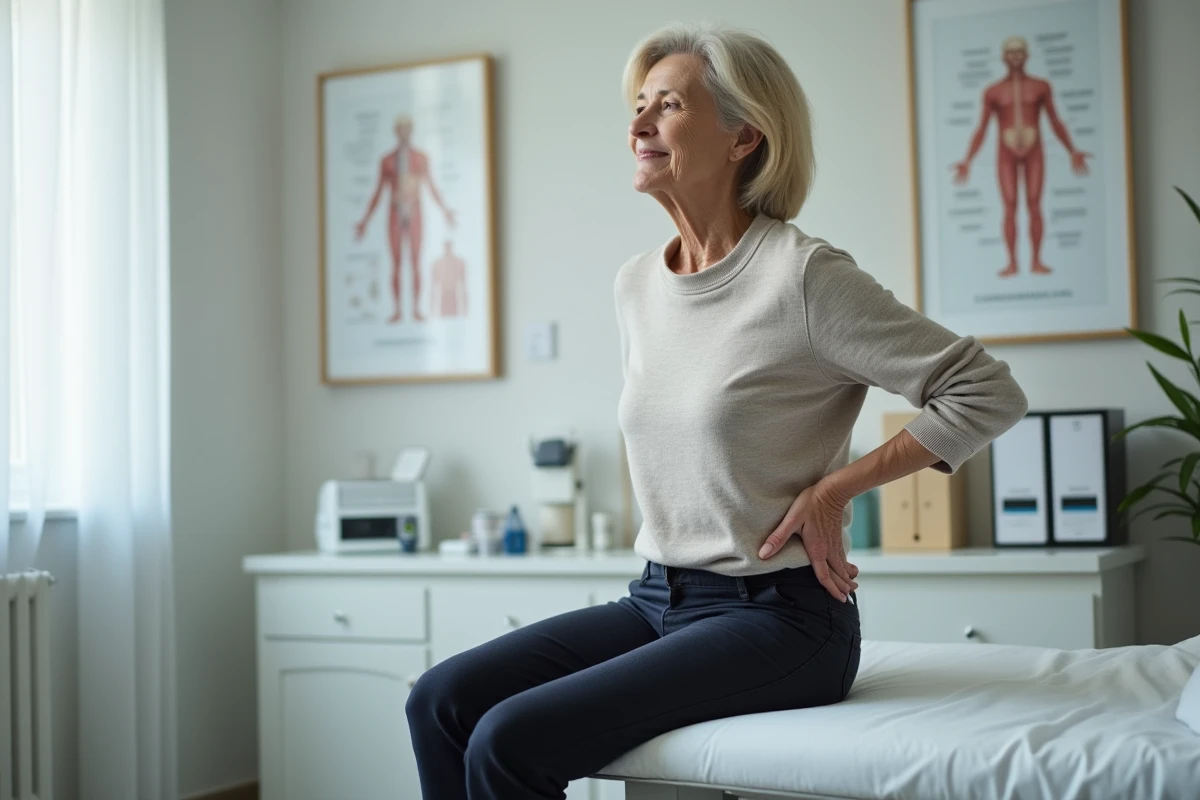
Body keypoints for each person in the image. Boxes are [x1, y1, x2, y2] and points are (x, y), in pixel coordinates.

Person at [405, 23, 1029, 799]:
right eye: (638, 106)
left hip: (781, 619)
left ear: (744, 138)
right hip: (656, 598)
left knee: (509, 738)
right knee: (441, 702)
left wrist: (835, 490)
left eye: (666, 106)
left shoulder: (803, 277)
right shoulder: (637, 284)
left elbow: (986, 390)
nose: (638, 125)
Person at [953, 36, 1092, 278]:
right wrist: (967, 160)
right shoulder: (993, 91)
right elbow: (982, 128)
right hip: (1006, 153)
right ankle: (1012, 263)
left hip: (1034, 152)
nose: (1015, 56)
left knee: (1034, 204)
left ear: (1026, 55)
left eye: (1019, 52)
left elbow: (1055, 120)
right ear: (1004, 57)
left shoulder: (1041, 86)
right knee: (1009, 206)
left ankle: (1036, 260)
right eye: (1011, 52)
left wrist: (1072, 150)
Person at [354, 115, 456, 323]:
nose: (404, 132)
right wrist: (365, 220)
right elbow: (378, 192)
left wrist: (445, 210)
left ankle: (416, 309)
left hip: (415, 213)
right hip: (395, 213)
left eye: (407, 128)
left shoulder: (420, 158)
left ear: (411, 130)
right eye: (401, 128)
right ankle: (398, 310)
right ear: (396, 130)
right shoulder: (387, 160)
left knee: (416, 262)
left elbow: (431, 186)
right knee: (396, 263)